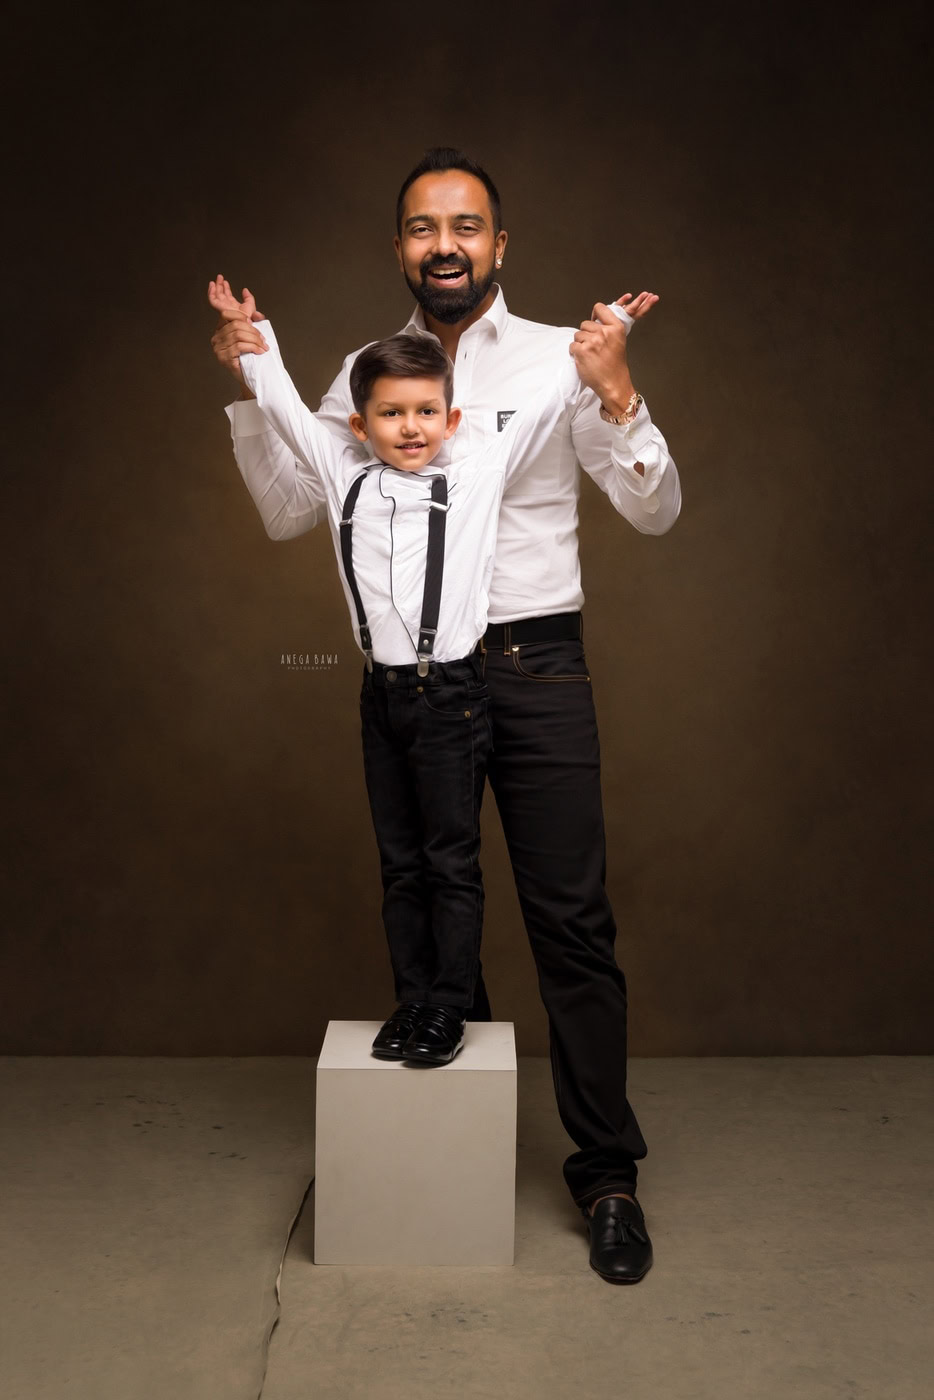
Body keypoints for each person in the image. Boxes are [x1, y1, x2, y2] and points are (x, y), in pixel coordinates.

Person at [211, 148, 681, 1285]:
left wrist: (618, 391)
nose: (446, 244)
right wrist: (248, 384)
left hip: (536, 664)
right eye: (423, 227)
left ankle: (606, 1172)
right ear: (400, 248)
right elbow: (290, 511)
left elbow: (654, 511)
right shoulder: (368, 372)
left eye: (467, 225)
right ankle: (441, 1152)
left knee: (570, 918)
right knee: (429, 878)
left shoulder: (562, 357)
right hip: (415, 675)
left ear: (499, 244)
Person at [208, 276, 626, 1075]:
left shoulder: (476, 470)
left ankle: (447, 1005)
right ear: (360, 425)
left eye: (427, 412)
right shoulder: (342, 470)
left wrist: (597, 345)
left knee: (449, 860)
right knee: (400, 864)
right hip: (382, 698)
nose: (410, 428)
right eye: (392, 414)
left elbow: (546, 403)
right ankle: (418, 999)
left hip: (453, 698)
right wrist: (250, 336)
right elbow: (290, 406)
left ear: (453, 419)